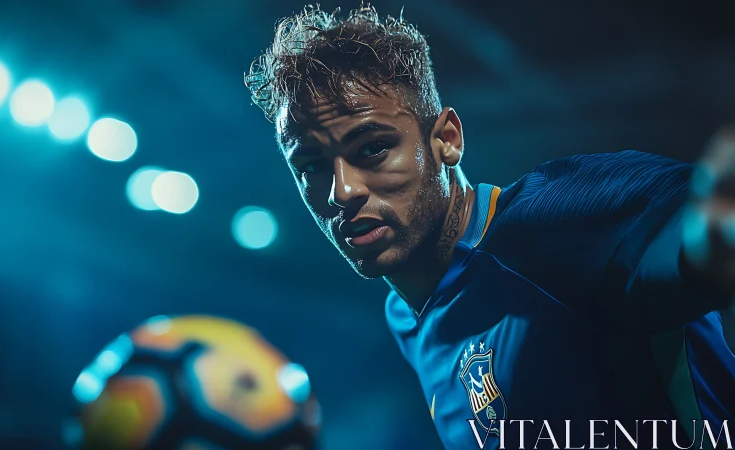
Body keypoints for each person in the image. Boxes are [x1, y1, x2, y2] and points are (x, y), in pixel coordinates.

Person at [244, 4, 735, 449]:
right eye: (311, 167)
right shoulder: (406, 314)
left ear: (447, 140)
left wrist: (709, 233)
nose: (341, 192)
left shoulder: (557, 222)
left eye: (371, 148)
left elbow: (695, 230)